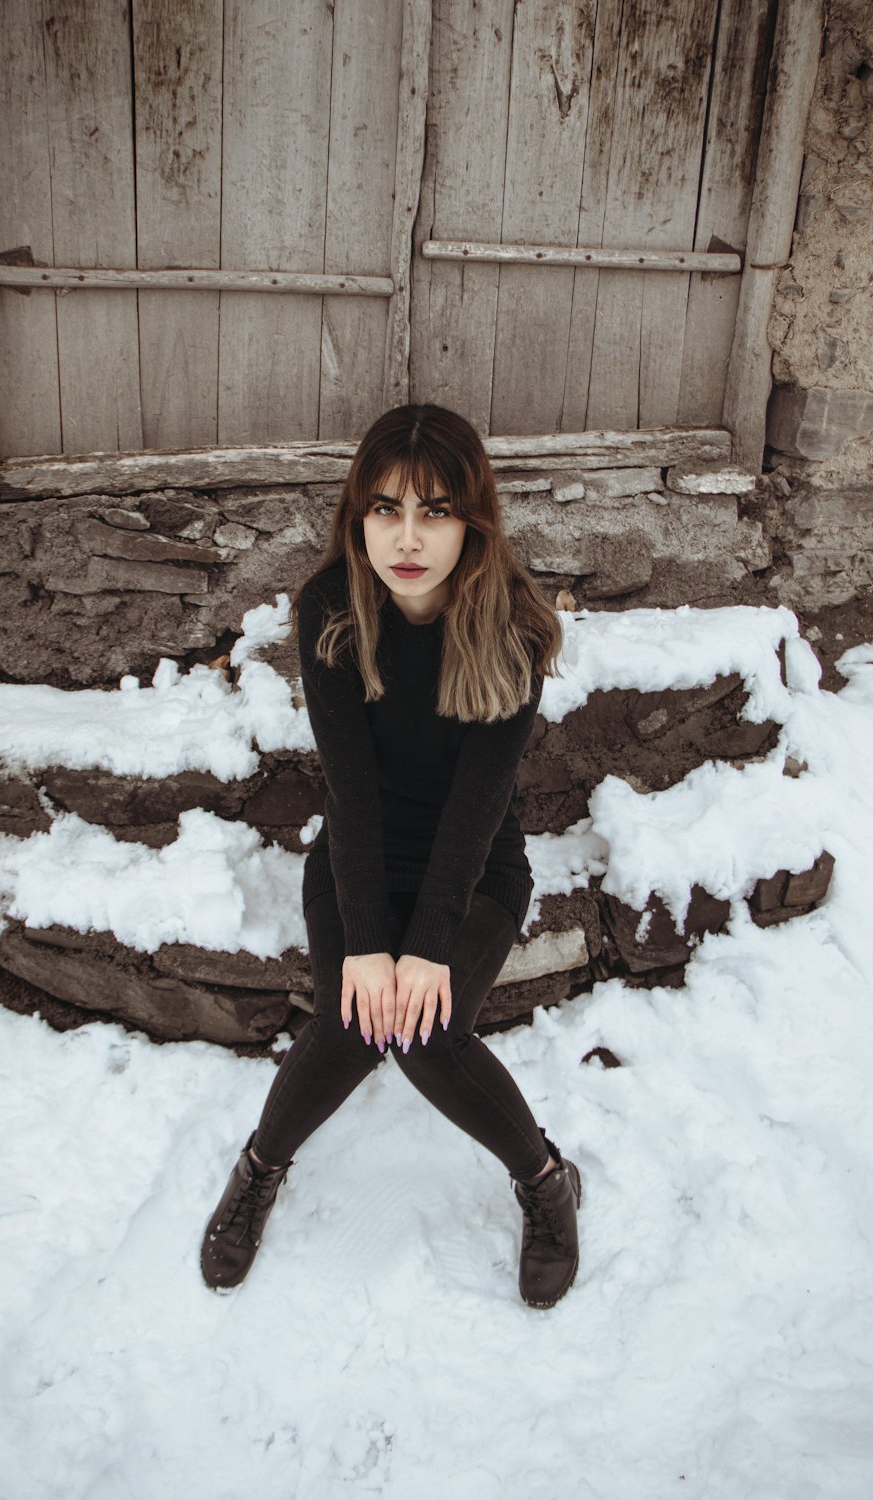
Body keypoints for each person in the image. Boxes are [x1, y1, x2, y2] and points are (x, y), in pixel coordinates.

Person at [200, 403, 582, 1309]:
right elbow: (351, 792)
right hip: (361, 850)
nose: (407, 537)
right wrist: (371, 940)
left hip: (475, 861)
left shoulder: (515, 628)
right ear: (357, 514)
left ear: (473, 519)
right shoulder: (333, 608)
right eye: (385, 509)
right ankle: (259, 1167)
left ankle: (546, 1181)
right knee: (351, 1015)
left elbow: (478, 807)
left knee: (424, 1031)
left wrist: (429, 945)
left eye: (435, 511)